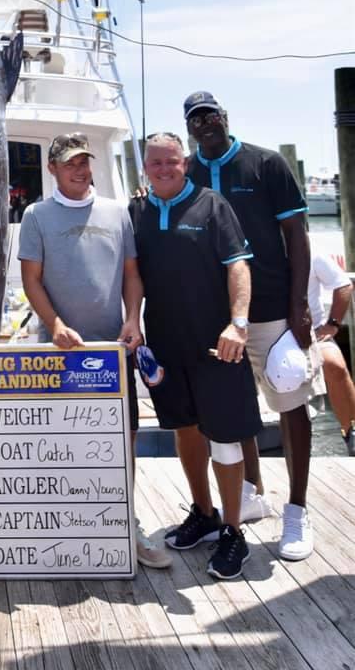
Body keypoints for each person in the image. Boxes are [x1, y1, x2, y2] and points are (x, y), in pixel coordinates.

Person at [18, 131, 170, 570]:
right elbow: (31, 280)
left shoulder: (116, 211)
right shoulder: (35, 215)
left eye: (85, 162)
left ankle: (126, 524)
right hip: (59, 355)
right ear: (53, 169)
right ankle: (68, 532)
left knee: (124, 440)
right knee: (62, 444)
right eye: (70, 164)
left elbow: (131, 275)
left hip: (112, 353)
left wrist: (132, 318)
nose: (81, 170)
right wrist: (56, 324)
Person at [184, 91, 315, 560]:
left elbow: (297, 236)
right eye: (195, 119)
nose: (204, 125)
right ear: (189, 127)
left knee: (290, 398)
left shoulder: (267, 164)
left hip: (274, 309)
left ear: (224, 116)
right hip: (217, 318)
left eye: (210, 115)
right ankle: (252, 495)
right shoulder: (186, 170)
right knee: (233, 409)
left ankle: (297, 510)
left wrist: (300, 304)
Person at [131, 132, 261, 580]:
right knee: (184, 430)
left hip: (216, 344)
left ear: (184, 163)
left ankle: (232, 531)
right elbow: (133, 275)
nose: (163, 169)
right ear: (144, 166)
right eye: (155, 163)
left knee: (224, 436)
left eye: (171, 161)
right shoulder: (138, 211)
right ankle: (203, 513)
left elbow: (239, 265)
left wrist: (238, 324)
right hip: (166, 343)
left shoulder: (212, 205)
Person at [308, 251, 355, 455]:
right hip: (263, 332)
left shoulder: (312, 250)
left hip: (312, 333)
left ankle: (351, 431)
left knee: (335, 365)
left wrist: (333, 325)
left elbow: (343, 283)